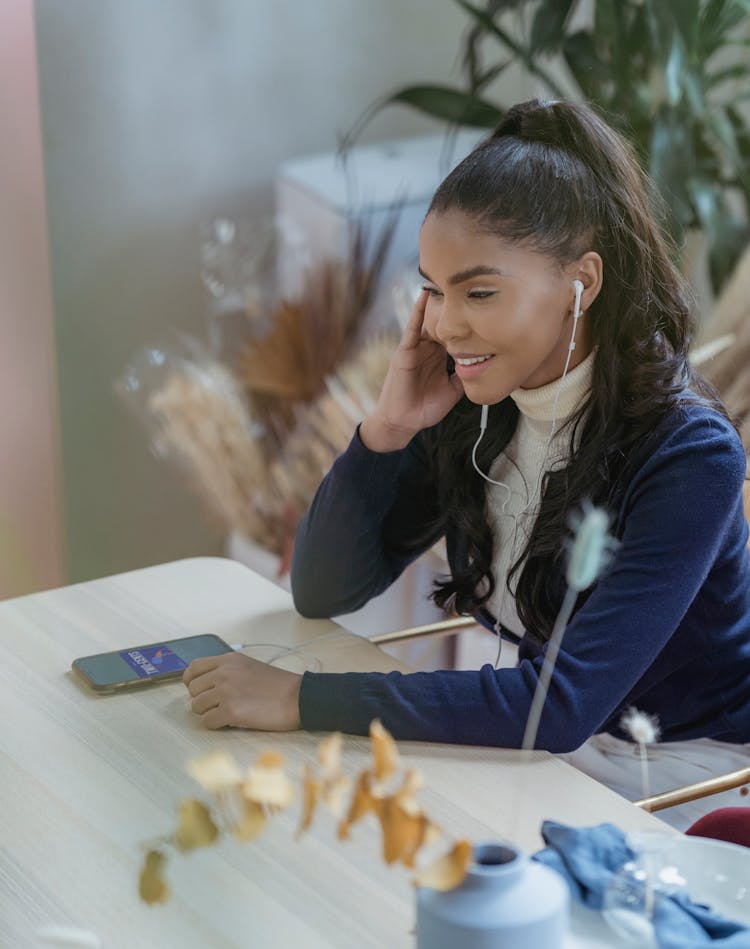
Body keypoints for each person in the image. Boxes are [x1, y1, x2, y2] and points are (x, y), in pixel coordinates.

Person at [183, 99, 750, 826]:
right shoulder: (480, 403)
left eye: (479, 291)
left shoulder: (687, 453)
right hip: (541, 754)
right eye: (434, 289)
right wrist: (387, 426)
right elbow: (323, 588)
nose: (447, 325)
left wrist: (299, 697)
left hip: (683, 780)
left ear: (583, 282)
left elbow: (559, 705)